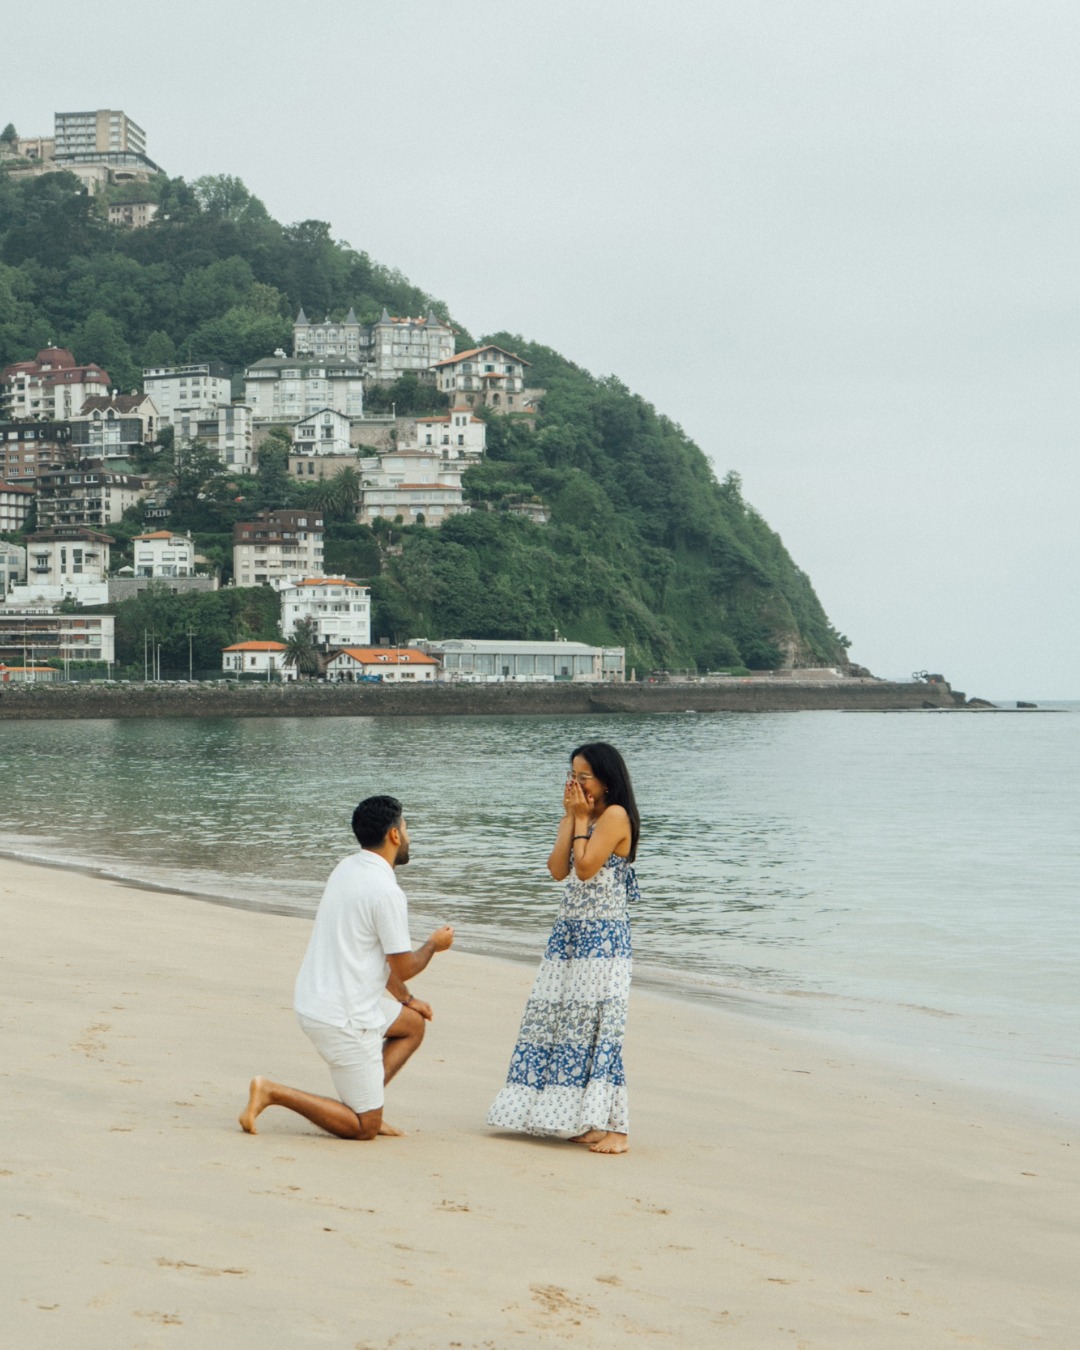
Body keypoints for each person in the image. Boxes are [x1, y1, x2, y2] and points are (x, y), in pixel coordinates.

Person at [239, 795, 454, 1141]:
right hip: (343, 1016)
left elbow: (378, 957)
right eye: (406, 827)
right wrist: (434, 945)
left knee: (412, 1024)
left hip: (317, 998)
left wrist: (407, 999)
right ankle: (272, 1092)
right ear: (394, 835)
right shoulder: (387, 892)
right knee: (364, 1128)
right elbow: (404, 966)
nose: (409, 835)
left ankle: (368, 1100)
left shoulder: (347, 867)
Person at [487, 742, 640, 1154]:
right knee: (566, 1025)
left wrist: (582, 820)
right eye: (572, 774)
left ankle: (618, 1128)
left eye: (584, 776)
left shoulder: (615, 816)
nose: (576, 783)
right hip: (569, 936)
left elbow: (586, 868)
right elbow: (559, 870)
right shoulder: (578, 818)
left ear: (606, 781)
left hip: (603, 940)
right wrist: (573, 818)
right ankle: (591, 1120)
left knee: (601, 1028)